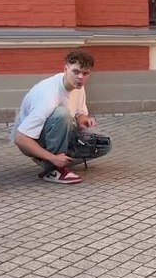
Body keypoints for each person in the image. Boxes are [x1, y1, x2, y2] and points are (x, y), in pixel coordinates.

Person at [11, 50, 100, 184]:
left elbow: (79, 114)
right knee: (62, 114)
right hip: (32, 139)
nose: (81, 77)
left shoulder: (78, 86)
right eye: (76, 72)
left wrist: (84, 121)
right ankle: (53, 168)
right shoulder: (48, 95)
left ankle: (54, 159)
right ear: (66, 69)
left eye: (85, 73)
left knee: (103, 143)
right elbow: (20, 138)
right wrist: (52, 158)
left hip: (59, 133)